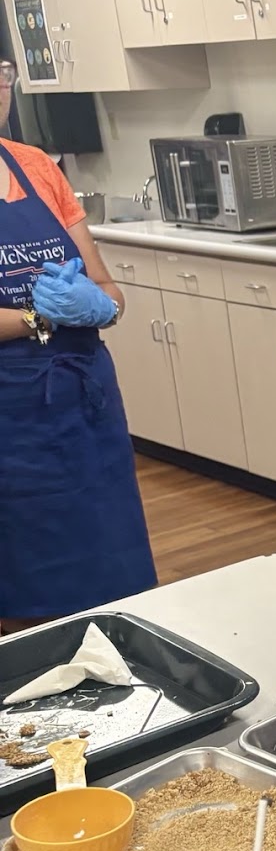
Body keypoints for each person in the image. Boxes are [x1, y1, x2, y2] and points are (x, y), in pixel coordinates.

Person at [0, 58, 156, 632]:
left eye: (0, 74)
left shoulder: (38, 167)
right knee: (25, 600)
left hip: (84, 411)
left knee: (113, 579)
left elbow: (105, 285)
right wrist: (39, 316)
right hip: (10, 425)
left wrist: (104, 307)